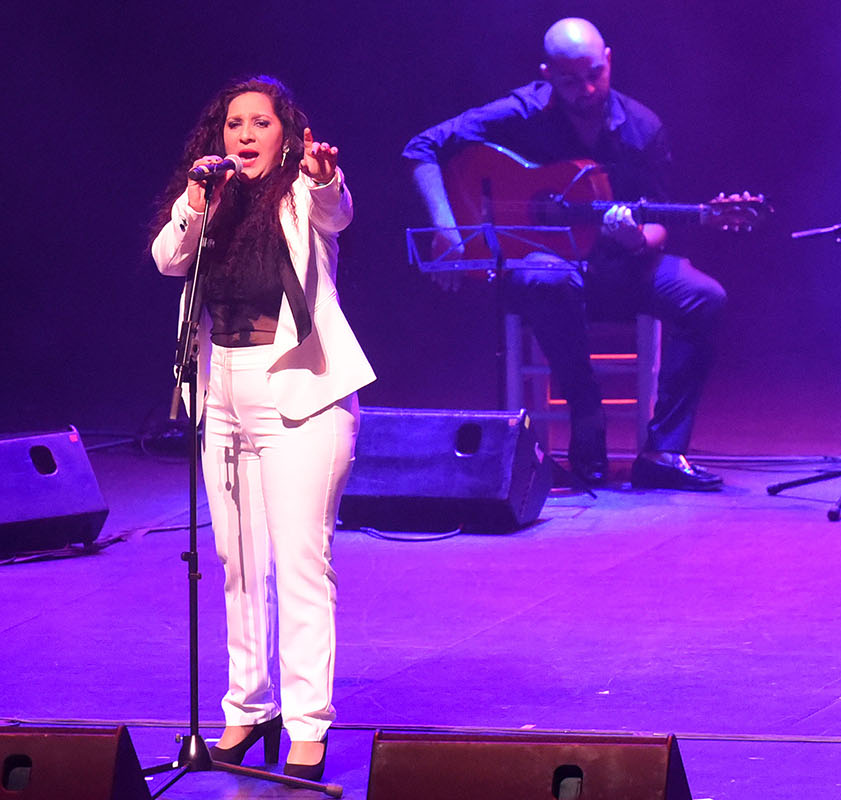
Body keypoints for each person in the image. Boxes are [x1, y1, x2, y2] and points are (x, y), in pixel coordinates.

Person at [149, 74, 375, 781]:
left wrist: (326, 176)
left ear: (287, 135)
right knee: (235, 564)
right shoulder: (211, 202)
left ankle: (307, 726)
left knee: (300, 565)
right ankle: (247, 708)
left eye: (261, 124)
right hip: (222, 392)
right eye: (234, 124)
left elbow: (337, 210)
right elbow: (166, 259)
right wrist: (194, 198)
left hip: (301, 397)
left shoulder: (303, 194)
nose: (245, 135)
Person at [403, 17, 727, 491]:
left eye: (595, 73)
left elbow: (658, 225)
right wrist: (447, 227)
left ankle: (663, 450)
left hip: (621, 270)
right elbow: (424, 145)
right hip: (546, 279)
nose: (587, 88)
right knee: (548, 277)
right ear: (547, 73)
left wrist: (637, 238)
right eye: (570, 80)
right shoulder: (523, 110)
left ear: (609, 60)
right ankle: (586, 413)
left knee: (705, 296)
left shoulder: (641, 127)